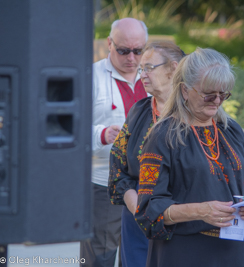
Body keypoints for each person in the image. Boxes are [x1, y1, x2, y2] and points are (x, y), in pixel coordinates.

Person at [135, 47, 244, 267]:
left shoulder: (231, 131)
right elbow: (149, 208)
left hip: (230, 253)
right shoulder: (163, 136)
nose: (217, 101)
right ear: (185, 91)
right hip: (183, 254)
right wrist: (200, 211)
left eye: (223, 94)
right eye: (209, 94)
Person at [108, 41, 185, 267]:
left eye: (149, 67)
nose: (142, 74)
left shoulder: (194, 116)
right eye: (141, 69)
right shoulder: (139, 111)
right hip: (135, 221)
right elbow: (117, 167)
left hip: (179, 224)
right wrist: (140, 211)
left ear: (173, 68)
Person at [82, 18, 148, 267]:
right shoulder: (91, 76)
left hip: (148, 182)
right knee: (100, 254)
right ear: (109, 43)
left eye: (138, 51)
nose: (131, 58)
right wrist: (101, 134)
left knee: (139, 254)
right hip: (103, 184)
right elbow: (70, 128)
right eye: (123, 50)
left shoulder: (153, 75)